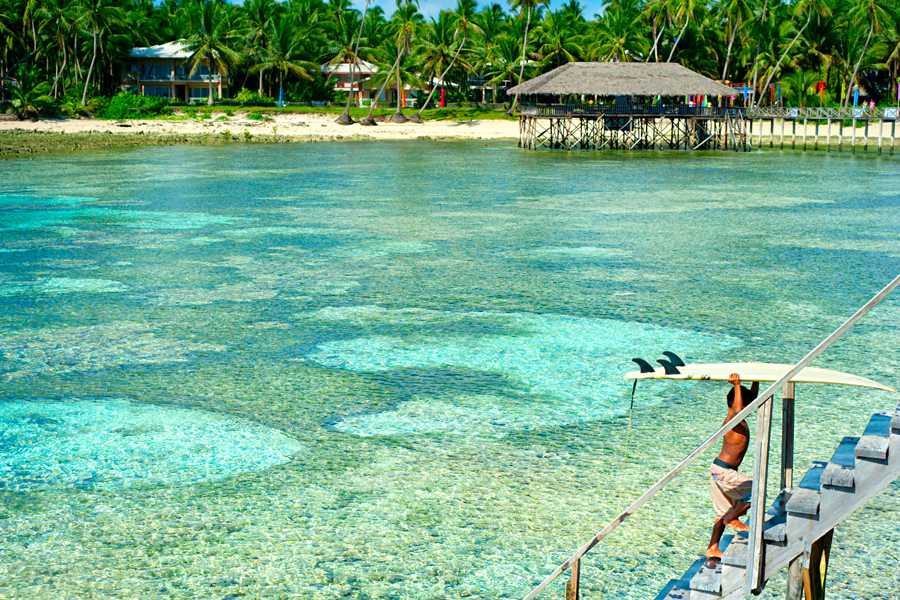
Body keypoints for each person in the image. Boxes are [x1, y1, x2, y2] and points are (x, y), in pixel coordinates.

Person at [706, 373, 759, 559]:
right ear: (740, 405)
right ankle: (732, 519)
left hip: (718, 470)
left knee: (723, 512)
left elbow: (749, 400)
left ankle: (712, 547)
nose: (750, 409)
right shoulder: (732, 420)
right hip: (724, 472)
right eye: (747, 406)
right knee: (758, 491)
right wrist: (737, 384)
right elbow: (738, 409)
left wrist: (756, 379)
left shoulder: (737, 418)